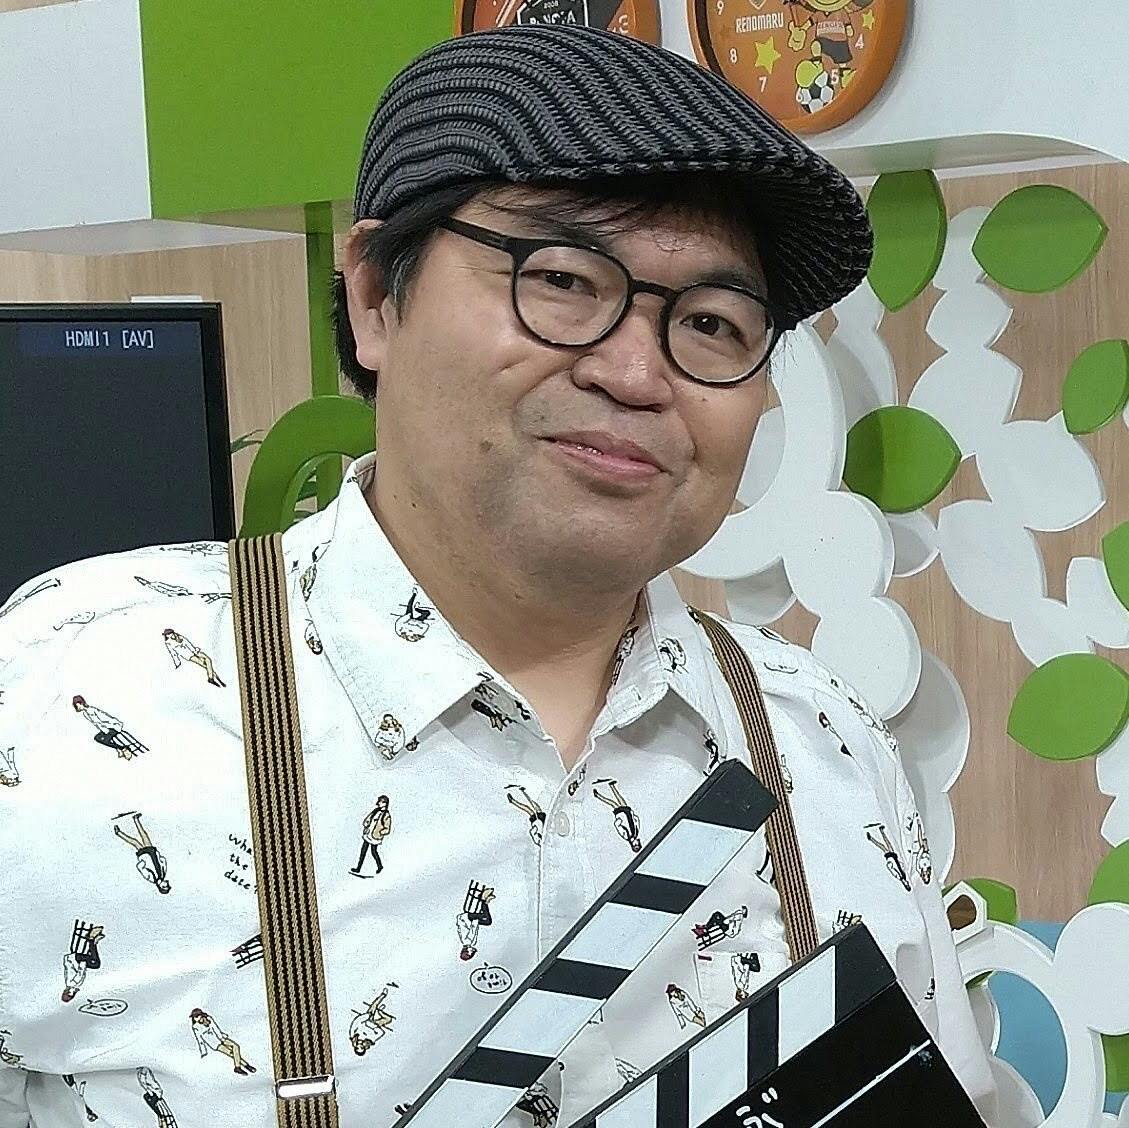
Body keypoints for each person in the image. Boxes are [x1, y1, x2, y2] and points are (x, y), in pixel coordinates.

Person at [0, 22, 998, 1128]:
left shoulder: (826, 743)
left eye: (713, 323)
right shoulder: (62, 699)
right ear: (376, 297)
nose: (636, 372)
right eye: (561, 279)